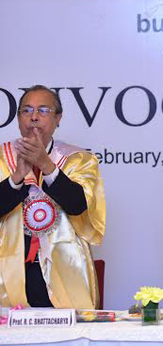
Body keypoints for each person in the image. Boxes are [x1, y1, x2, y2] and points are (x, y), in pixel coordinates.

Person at [0, 85, 106, 309]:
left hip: (63, 266)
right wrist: (17, 177)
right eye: (27, 110)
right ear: (18, 118)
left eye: (43, 110)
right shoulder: (2, 157)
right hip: (9, 266)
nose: (34, 117)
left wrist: (46, 165)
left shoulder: (79, 159)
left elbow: (78, 205)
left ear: (58, 118)